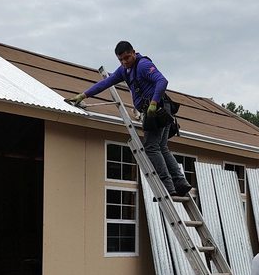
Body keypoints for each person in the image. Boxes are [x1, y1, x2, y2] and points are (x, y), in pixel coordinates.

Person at [70, 41, 191, 196]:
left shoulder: (143, 65)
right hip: (159, 109)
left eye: (127, 58)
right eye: (121, 60)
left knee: (151, 147)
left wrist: (153, 103)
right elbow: (106, 83)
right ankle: (180, 182)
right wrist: (83, 95)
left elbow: (162, 81)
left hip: (157, 109)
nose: (125, 62)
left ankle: (168, 186)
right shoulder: (124, 71)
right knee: (161, 147)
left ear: (133, 52)